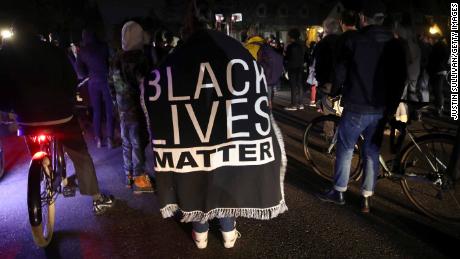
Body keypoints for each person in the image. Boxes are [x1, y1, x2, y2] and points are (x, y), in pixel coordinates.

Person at [141, 0, 287, 249]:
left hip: (191, 134)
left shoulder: (179, 56)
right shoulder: (231, 50)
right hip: (224, 130)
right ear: (216, 23)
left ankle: (201, 233)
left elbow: (158, 84)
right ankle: (228, 231)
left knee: (197, 179)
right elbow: (254, 81)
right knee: (223, 175)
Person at [0, 17, 115, 214]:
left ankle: (43, 169)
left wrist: (9, 108)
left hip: (25, 117)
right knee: (80, 154)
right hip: (60, 114)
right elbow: (71, 80)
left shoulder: (5, 55)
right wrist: (68, 101)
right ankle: (97, 199)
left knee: (32, 138)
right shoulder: (52, 51)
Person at [316, 0, 407, 213]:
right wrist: (391, 106)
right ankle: (367, 196)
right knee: (372, 151)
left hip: (356, 104)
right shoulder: (395, 44)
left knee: (346, 148)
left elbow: (341, 71)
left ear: (363, 18)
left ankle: (339, 190)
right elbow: (400, 78)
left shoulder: (355, 40)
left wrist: (336, 91)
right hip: (381, 106)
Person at [111, 21, 154, 193]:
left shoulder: (115, 59)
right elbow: (146, 83)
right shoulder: (141, 59)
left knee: (127, 142)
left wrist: (117, 102)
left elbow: (111, 85)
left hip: (122, 108)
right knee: (139, 142)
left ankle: (128, 175)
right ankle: (139, 178)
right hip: (137, 108)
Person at [76, 28, 115, 148]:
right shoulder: (104, 46)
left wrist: (88, 74)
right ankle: (110, 139)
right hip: (106, 80)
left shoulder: (82, 51)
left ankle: (98, 138)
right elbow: (112, 61)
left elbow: (80, 72)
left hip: (93, 82)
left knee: (96, 111)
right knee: (109, 110)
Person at [314, 18, 341, 103]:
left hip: (325, 81)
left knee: (326, 108)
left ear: (325, 28)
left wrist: (320, 79)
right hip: (340, 80)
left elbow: (318, 64)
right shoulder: (343, 41)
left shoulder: (321, 44)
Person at [427, 33, 450, 116]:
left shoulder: (437, 46)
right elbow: (448, 58)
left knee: (437, 90)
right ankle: (439, 108)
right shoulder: (444, 46)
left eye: (432, 38)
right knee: (438, 90)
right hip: (441, 70)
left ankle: (439, 109)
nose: (431, 40)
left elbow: (433, 58)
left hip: (438, 70)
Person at [284, 28, 305, 111]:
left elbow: (287, 57)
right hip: (300, 67)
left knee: (293, 86)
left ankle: (293, 104)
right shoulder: (303, 45)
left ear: (291, 36)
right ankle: (300, 103)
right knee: (300, 85)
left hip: (292, 67)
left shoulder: (291, 46)